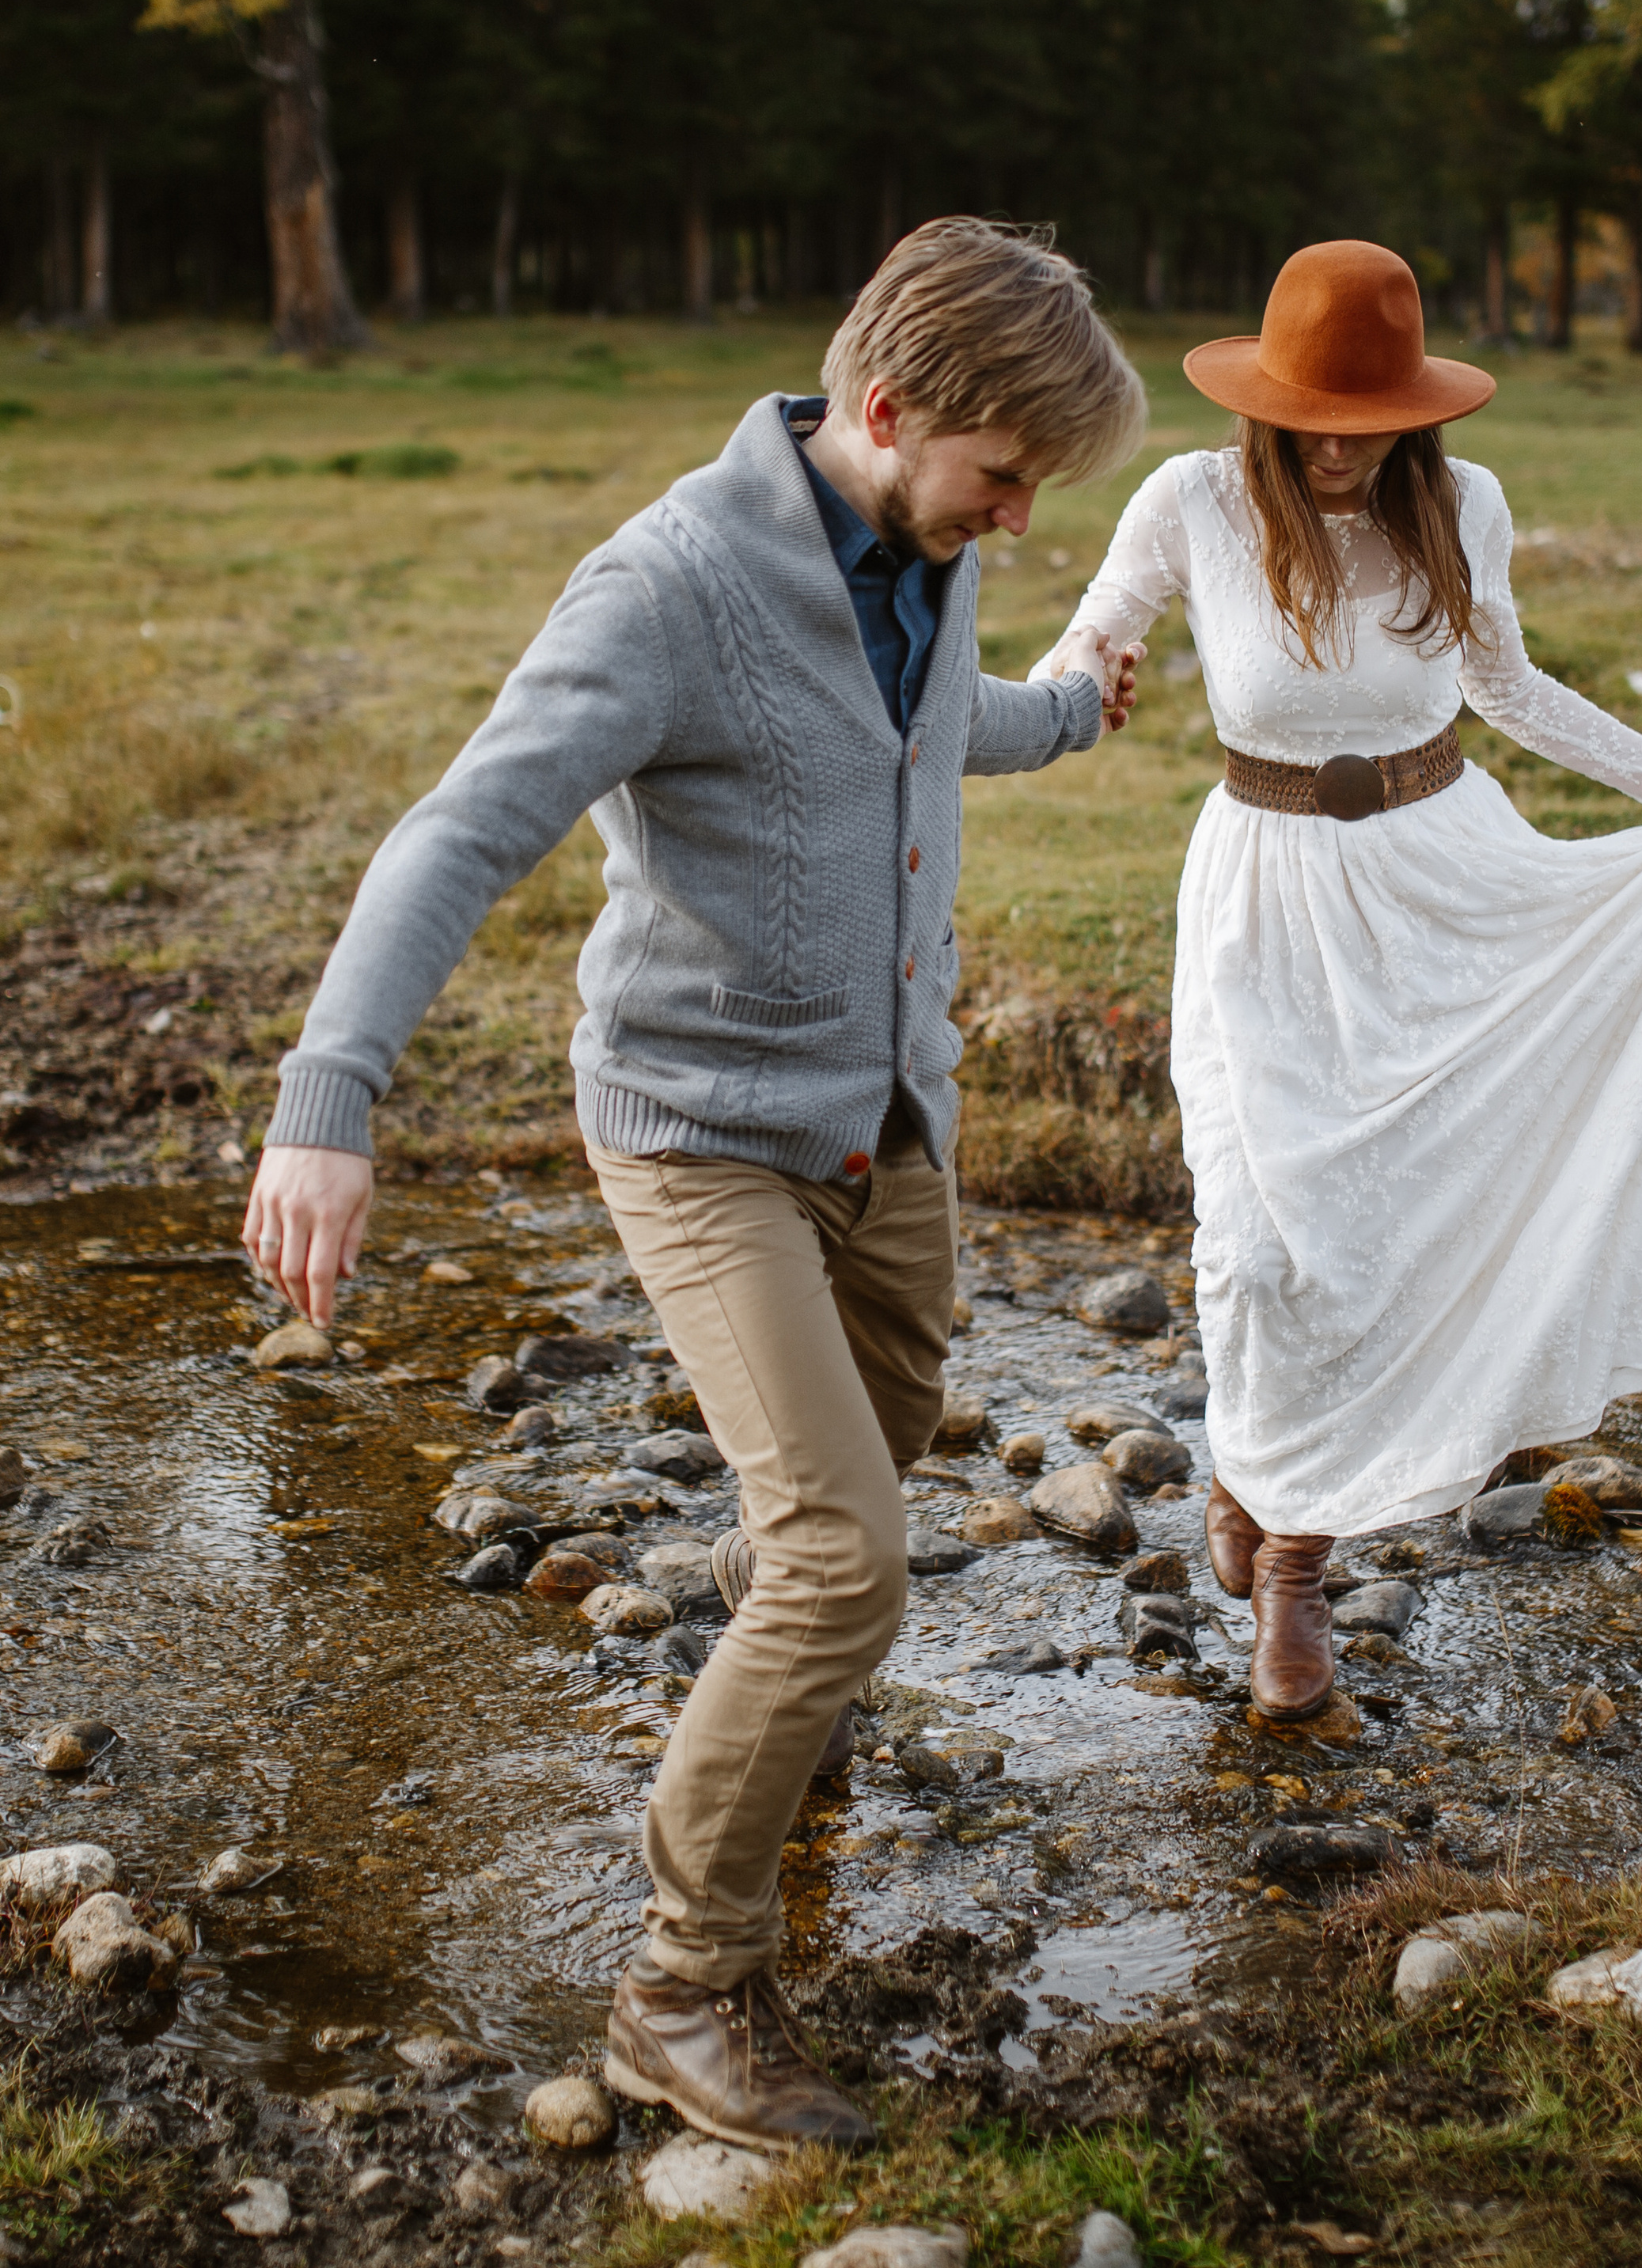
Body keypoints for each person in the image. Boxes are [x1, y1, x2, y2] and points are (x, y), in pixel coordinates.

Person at [240, 217, 1148, 2151]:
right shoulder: (669, 586)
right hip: (700, 1131)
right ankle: (679, 1990)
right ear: (887, 409)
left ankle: (770, 1680)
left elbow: (924, 731)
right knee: (843, 1557)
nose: (1014, 522)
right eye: (1002, 479)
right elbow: (460, 831)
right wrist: (328, 1101)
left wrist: (1072, 703)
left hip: (888, 1126)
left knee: (852, 1498)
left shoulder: (923, 547)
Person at [1032, 238, 1642, 1724]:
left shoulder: (1463, 502)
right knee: (1257, 1236)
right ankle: (1252, 1465)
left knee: (1387, 1229)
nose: (1341, 446)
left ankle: (1295, 1568)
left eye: (1369, 420)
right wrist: (1064, 691)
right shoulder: (1193, 501)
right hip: (1264, 896)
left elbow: (1505, 684)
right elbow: (1091, 638)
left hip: (1441, 880)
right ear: (1265, 401)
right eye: (1315, 418)